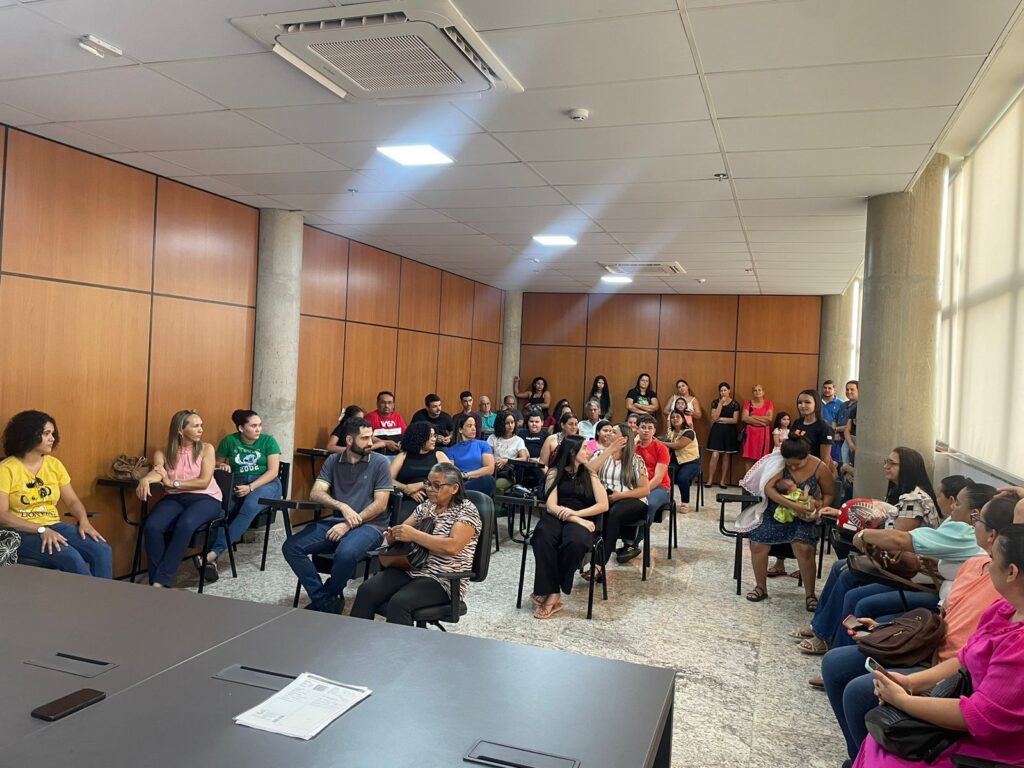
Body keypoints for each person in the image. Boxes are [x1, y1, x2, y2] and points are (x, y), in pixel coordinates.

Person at [820, 495, 1014, 763]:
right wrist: (892, 629)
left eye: (977, 519)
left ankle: (863, 757)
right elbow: (944, 618)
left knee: (859, 692)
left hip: (950, 670)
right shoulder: (976, 569)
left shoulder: (1005, 597)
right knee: (835, 663)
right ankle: (858, 756)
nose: (972, 524)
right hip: (929, 645)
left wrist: (906, 695)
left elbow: (972, 674)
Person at [789, 449, 942, 650]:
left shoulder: (915, 499)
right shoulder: (903, 493)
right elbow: (881, 521)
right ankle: (820, 627)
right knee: (838, 567)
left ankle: (825, 636)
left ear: (907, 467)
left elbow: (896, 540)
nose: (886, 466)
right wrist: (840, 514)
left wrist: (865, 540)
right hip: (897, 563)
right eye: (886, 461)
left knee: (847, 574)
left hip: (911, 571)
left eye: (892, 463)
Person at [281, 418, 393, 613]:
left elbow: (381, 505)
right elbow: (316, 493)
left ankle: (327, 597)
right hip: (338, 521)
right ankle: (325, 601)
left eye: (371, 437)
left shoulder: (380, 462)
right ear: (349, 440)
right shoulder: (333, 460)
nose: (370, 442)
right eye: (365, 438)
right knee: (291, 547)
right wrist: (342, 506)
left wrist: (348, 524)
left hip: (371, 526)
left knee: (346, 553)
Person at [350, 463, 481, 626]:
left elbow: (452, 547)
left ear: (454, 488)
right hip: (412, 567)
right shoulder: (427, 506)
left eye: (436, 485)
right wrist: (393, 536)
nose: (429, 489)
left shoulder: (466, 511)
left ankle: (402, 644)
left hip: (443, 578)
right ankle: (356, 639)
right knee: (366, 591)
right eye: (428, 483)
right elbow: (403, 530)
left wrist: (415, 535)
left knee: (399, 603)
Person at [0, 410, 111, 578]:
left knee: (102, 550)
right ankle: (87, 595)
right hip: (21, 532)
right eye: (46, 434)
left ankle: (102, 595)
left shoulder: (54, 465)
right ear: (28, 435)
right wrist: (41, 529)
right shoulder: (6, 469)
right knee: (71, 557)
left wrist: (84, 521)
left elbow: (72, 501)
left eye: (52, 433)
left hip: (54, 525)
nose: (52, 438)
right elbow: (2, 515)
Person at [743, 438, 834, 606]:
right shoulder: (780, 463)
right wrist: (793, 505)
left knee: (804, 547)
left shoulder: (819, 467)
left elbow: (829, 494)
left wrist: (818, 508)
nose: (793, 468)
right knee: (757, 543)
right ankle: (760, 587)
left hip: (804, 516)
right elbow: (769, 489)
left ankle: (810, 594)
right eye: (789, 464)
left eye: (797, 465)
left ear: (806, 456)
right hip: (776, 512)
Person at [137, 410, 223, 588]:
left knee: (185, 524)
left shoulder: (207, 449)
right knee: (152, 526)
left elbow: (203, 482)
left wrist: (172, 483)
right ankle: (156, 580)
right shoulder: (163, 452)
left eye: (201, 426)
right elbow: (158, 472)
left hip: (206, 498)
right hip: (175, 498)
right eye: (196, 426)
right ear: (180, 430)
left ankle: (162, 580)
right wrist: (145, 479)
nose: (201, 430)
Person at [195, 409, 282, 582]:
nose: (258, 429)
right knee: (221, 510)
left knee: (248, 507)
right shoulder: (229, 441)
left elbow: (273, 472)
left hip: (265, 483)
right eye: (253, 426)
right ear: (241, 428)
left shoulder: (269, 441)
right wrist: (221, 465)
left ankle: (212, 554)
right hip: (238, 482)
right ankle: (211, 562)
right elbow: (215, 463)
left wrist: (251, 487)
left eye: (260, 425)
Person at [530, 435, 608, 619]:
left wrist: (578, 515)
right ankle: (552, 591)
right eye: (584, 449)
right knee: (542, 535)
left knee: (575, 542)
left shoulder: (589, 473)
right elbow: (551, 506)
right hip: (557, 516)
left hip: (582, 515)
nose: (589, 452)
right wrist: (578, 519)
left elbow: (603, 505)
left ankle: (552, 590)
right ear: (572, 452)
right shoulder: (554, 472)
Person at [588, 423, 649, 579]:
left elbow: (645, 490)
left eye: (613, 432)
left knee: (614, 513)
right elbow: (587, 471)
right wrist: (609, 451)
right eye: (608, 431)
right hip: (606, 498)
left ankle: (599, 565)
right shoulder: (600, 454)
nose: (608, 434)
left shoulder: (635, 460)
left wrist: (620, 496)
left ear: (624, 439)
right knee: (601, 511)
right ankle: (588, 558)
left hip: (632, 500)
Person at [618, 414, 671, 563]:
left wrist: (642, 491)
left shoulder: (661, 448)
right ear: (637, 429)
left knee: (649, 504)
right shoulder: (633, 447)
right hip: (637, 486)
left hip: (659, 488)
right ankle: (627, 543)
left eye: (649, 428)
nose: (646, 430)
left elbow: (658, 477)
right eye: (643, 427)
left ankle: (634, 543)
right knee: (625, 504)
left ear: (654, 431)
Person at [390, 421, 450, 517]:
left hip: (437, 498)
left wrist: (420, 485)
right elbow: (388, 479)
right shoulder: (403, 456)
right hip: (410, 498)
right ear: (419, 437)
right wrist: (406, 489)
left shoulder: (439, 455)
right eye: (430, 436)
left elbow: (451, 477)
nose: (434, 439)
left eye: (435, 436)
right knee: (402, 518)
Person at [446, 413, 496, 496]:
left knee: (489, 480)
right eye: (469, 426)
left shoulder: (483, 445)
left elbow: (489, 469)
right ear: (460, 430)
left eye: (474, 425)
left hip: (479, 481)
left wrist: (466, 475)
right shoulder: (450, 450)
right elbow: (451, 475)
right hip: (460, 483)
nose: (474, 428)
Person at [663, 409, 700, 513]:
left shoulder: (689, 432)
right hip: (675, 461)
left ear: (683, 419)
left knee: (682, 478)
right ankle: (667, 500)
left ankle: (685, 502)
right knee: (664, 475)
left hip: (691, 462)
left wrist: (660, 443)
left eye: (677, 417)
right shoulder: (670, 431)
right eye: (672, 417)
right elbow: (667, 445)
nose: (675, 419)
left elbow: (678, 446)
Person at [706, 382, 741, 488]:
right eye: (721, 390)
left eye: (725, 390)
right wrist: (720, 404)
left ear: (729, 391)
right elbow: (714, 417)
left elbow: (735, 420)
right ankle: (710, 480)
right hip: (717, 430)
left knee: (726, 456)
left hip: (729, 431)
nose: (723, 392)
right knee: (715, 455)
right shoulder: (715, 402)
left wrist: (721, 419)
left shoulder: (735, 404)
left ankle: (722, 481)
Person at [488, 411, 528, 493]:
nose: (510, 425)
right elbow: (487, 455)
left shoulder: (518, 440)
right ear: (500, 424)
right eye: (507, 423)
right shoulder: (492, 438)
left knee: (496, 486)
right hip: (492, 469)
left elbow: (523, 458)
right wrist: (495, 462)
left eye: (512, 422)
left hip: (507, 473)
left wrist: (507, 461)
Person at [740, 384, 774, 468]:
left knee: (762, 460)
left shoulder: (769, 404)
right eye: (755, 390)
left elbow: (769, 419)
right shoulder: (748, 403)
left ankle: (759, 477)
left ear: (763, 392)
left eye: (759, 390)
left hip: (763, 434)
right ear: (752, 393)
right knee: (749, 458)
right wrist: (762, 422)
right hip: (750, 433)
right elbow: (744, 418)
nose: (757, 392)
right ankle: (748, 477)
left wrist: (753, 416)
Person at [366, 391, 406, 457]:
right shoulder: (370, 417)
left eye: (389, 403)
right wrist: (386, 443)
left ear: (393, 405)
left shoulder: (398, 416)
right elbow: (367, 437)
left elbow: (405, 434)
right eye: (383, 402)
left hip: (397, 454)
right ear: (377, 404)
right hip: (377, 454)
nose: (386, 405)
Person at [834, 379, 858, 464]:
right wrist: (834, 432)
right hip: (837, 441)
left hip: (850, 440)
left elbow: (850, 426)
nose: (849, 392)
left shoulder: (859, 407)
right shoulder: (843, 404)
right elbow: (835, 420)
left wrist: (836, 429)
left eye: (852, 389)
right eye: (847, 389)